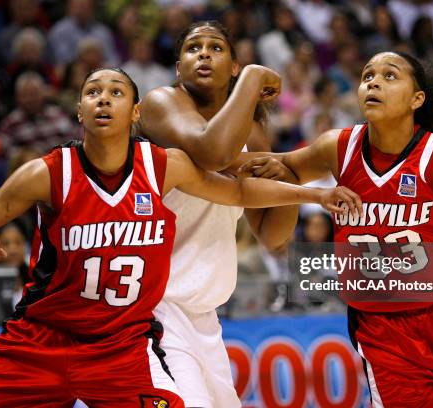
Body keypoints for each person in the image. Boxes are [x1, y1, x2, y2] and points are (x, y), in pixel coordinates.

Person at [0, 67, 359, 407]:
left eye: (116, 92)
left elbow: (237, 191)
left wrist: (315, 193)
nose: (103, 98)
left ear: (136, 111)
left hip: (121, 348)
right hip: (40, 342)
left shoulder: (163, 166)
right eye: (93, 92)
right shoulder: (48, 172)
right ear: (79, 111)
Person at [241, 51, 433, 407]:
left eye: (390, 76)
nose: (372, 82)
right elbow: (268, 168)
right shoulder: (338, 147)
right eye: (366, 76)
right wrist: (244, 110)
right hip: (382, 328)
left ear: (417, 99)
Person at [138, 21, 300, 407]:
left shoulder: (252, 134)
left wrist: (290, 178)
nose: (204, 54)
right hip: (153, 304)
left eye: (215, 47)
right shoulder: (162, 102)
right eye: (194, 48)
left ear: (231, 65)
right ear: (179, 69)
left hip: (204, 314)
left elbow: (274, 237)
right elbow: (213, 152)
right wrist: (254, 76)